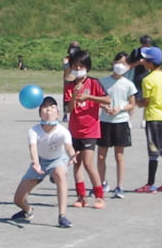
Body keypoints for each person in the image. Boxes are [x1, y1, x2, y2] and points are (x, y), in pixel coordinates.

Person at [9, 96, 74, 228]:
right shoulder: (33, 131)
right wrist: (36, 163)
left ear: (58, 113)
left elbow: (68, 147)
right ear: (40, 113)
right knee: (18, 199)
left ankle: (62, 216)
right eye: (45, 107)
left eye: (52, 107)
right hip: (40, 161)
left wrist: (72, 155)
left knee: (60, 174)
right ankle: (28, 211)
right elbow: (33, 148)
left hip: (58, 159)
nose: (49, 110)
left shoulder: (63, 131)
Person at [62, 49, 108, 209]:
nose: (78, 69)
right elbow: (69, 109)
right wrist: (74, 95)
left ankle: (99, 195)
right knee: (77, 164)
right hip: (75, 130)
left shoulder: (94, 83)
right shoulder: (69, 85)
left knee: (89, 163)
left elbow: (107, 99)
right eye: (75, 66)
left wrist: (89, 97)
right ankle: (81, 196)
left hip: (90, 129)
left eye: (81, 66)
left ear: (87, 67)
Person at [135, 46, 162, 194]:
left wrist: (136, 102)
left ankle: (150, 184)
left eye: (145, 60)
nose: (143, 62)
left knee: (153, 152)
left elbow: (145, 101)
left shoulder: (148, 79)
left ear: (150, 63)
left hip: (153, 117)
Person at [100, 52, 137, 198]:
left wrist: (120, 108)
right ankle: (101, 184)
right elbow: (98, 99)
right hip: (104, 121)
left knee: (119, 155)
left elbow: (132, 104)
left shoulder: (128, 84)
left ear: (128, 66)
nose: (120, 66)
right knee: (101, 155)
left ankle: (119, 186)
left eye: (124, 63)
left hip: (120, 121)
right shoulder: (103, 81)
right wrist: (104, 107)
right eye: (118, 62)